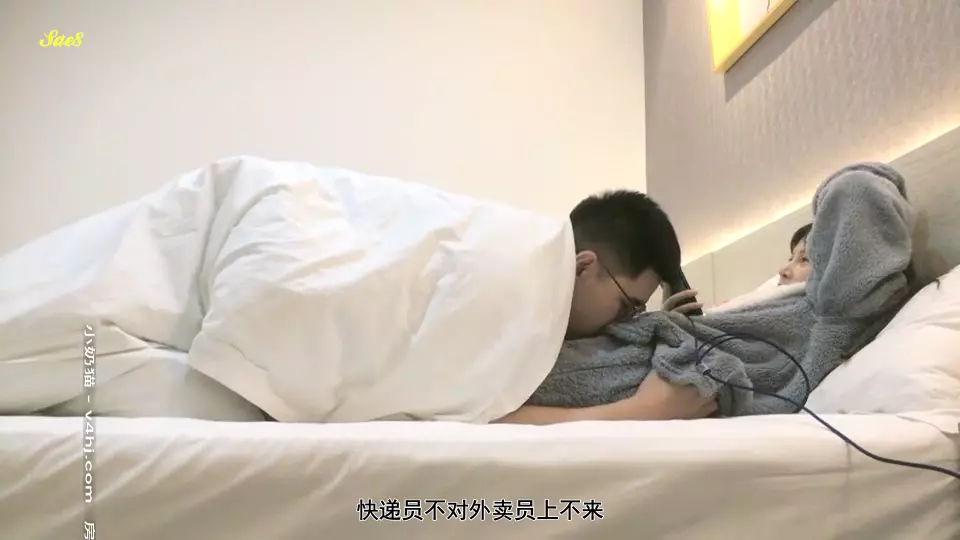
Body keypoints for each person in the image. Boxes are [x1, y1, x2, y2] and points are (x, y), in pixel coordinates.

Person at [498, 189, 718, 424]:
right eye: (626, 305)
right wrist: (644, 410)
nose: (626, 320)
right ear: (583, 268)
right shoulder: (500, 304)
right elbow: (484, 413)